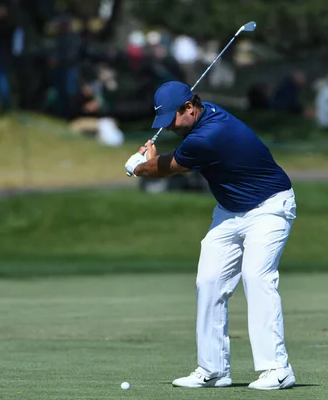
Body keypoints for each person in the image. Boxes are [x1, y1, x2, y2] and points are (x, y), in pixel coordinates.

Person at [124, 81, 297, 390]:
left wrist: (139, 166)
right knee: (209, 281)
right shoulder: (202, 121)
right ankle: (213, 369)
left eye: (172, 121)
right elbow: (169, 161)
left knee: (256, 276)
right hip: (230, 211)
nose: (171, 127)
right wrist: (152, 160)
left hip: (270, 206)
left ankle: (278, 369)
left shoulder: (209, 135)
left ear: (190, 108)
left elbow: (169, 168)